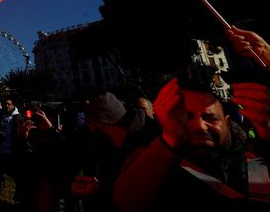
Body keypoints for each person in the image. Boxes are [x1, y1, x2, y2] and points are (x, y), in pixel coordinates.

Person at [114, 77, 270, 210]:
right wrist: (170, 139)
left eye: (210, 118)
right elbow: (126, 202)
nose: (200, 126)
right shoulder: (152, 161)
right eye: (186, 117)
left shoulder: (252, 160)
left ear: (227, 122)